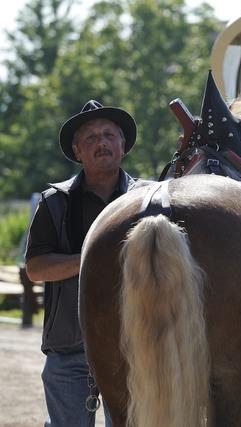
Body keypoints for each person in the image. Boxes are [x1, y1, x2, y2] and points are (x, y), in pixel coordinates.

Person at [24, 100, 151, 426]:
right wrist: (91, 259)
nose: (102, 142)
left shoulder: (150, 200)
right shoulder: (54, 202)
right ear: (77, 151)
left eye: (109, 134)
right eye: (91, 138)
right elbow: (36, 268)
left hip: (135, 350)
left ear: (123, 145)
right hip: (69, 349)